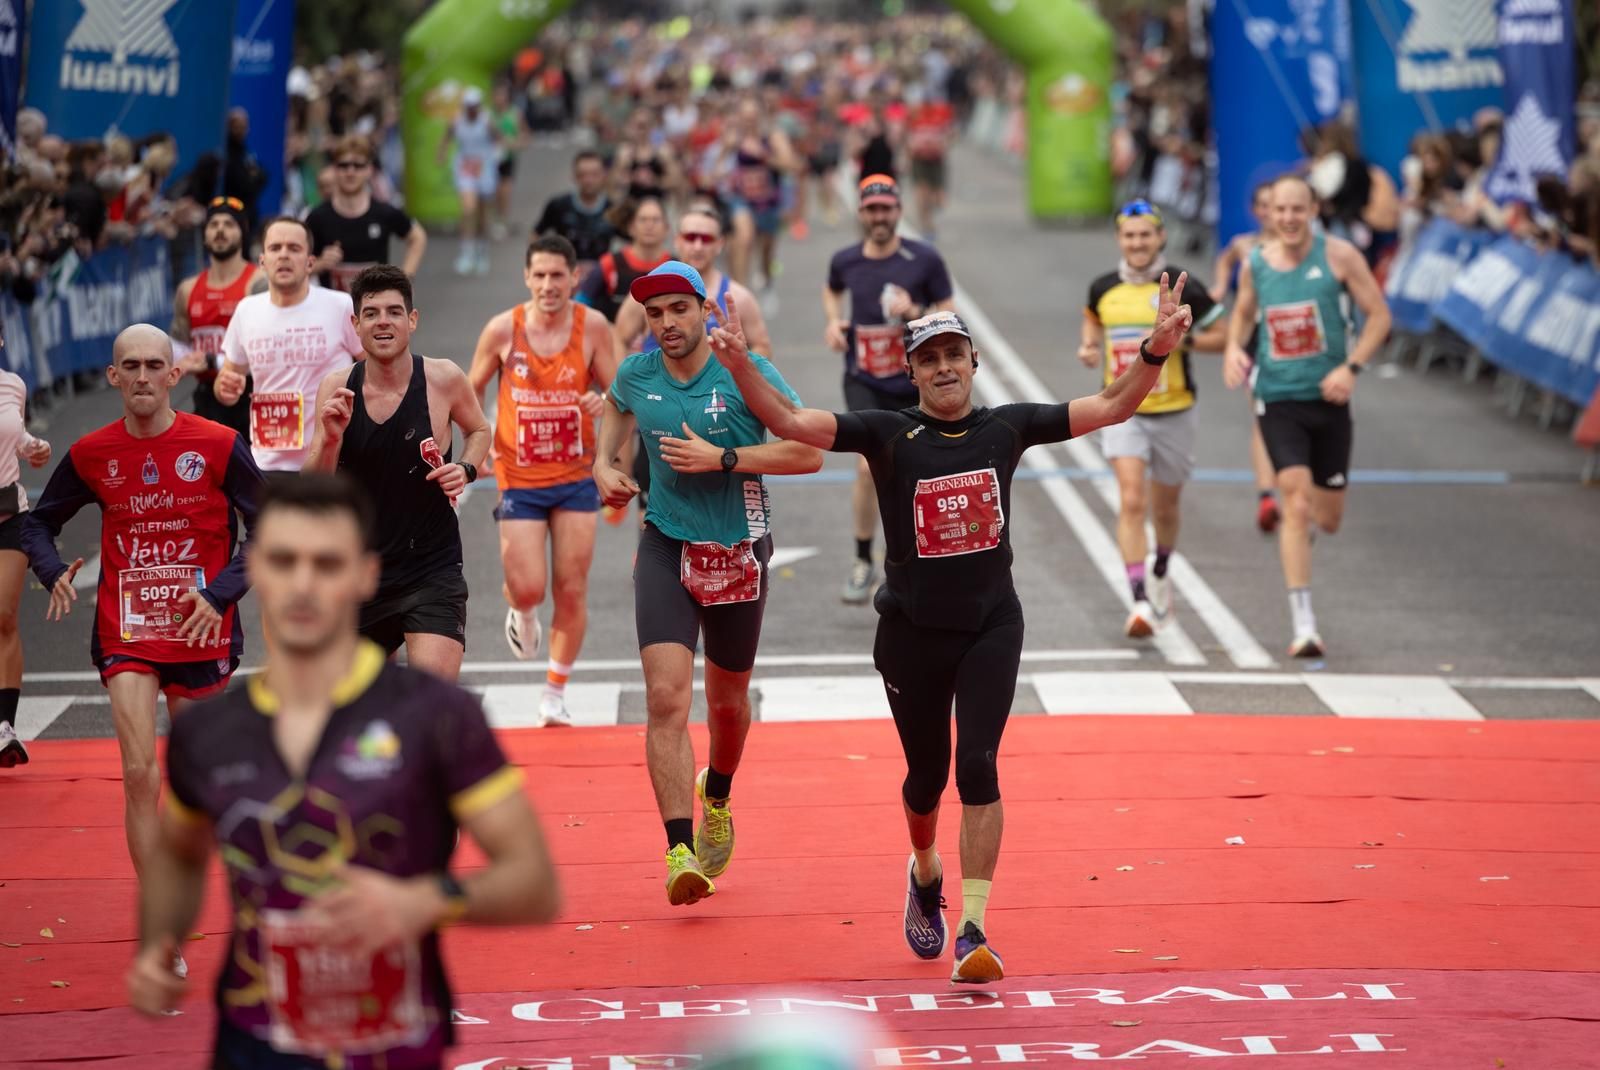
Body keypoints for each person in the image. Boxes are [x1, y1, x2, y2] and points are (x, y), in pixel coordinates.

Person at [709, 284, 1194, 984]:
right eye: (928, 358)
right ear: (911, 371)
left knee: (979, 768)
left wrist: (1155, 351)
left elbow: (1114, 405)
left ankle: (973, 928)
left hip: (992, 622)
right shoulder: (887, 434)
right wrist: (739, 365)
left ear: (974, 362)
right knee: (925, 780)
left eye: (954, 356)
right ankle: (925, 870)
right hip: (911, 633)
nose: (943, 368)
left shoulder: (1009, 428)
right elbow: (788, 418)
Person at [126, 472, 560, 1069]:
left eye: (327, 564)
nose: (303, 584)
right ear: (256, 571)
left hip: (394, 1044)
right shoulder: (207, 732)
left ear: (364, 574)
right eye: (283, 560)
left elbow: (534, 881)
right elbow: (178, 854)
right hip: (254, 1043)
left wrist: (425, 902)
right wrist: (157, 942)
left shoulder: (436, 717)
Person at [592, 261, 821, 906]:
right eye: (654, 314)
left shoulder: (743, 372)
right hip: (665, 543)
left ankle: (716, 791)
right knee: (665, 700)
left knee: (725, 704)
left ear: (702, 308)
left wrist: (724, 458)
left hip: (738, 551)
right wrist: (602, 465)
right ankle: (678, 850)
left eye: (677, 310)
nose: (666, 324)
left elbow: (806, 452)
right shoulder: (638, 373)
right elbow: (614, 411)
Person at [21, 324, 265, 885]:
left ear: (174, 375)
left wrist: (217, 593)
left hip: (202, 629)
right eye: (129, 366)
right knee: (138, 773)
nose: (142, 376)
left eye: (154, 365)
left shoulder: (218, 444)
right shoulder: (91, 452)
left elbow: (269, 527)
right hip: (126, 632)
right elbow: (39, 523)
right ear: (113, 377)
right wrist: (53, 570)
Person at [1224, 175, 1392, 657]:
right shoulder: (1255, 263)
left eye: (1298, 209)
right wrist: (1237, 348)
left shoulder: (1340, 257)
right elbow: (1244, 312)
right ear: (1268, 214)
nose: (1289, 219)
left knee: (1328, 517)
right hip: (1278, 398)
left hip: (1330, 399)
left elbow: (1378, 316)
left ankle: (1313, 526)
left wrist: (1351, 367)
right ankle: (1304, 624)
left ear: (1313, 209)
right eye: (1281, 211)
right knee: (1293, 502)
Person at [303, 265, 488, 683]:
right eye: (371, 313)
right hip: (358, 575)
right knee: (367, 719)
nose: (382, 321)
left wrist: (466, 467)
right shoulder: (336, 387)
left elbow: (478, 429)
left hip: (431, 568)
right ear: (355, 324)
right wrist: (329, 437)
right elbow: (313, 490)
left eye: (393, 312)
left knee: (430, 706)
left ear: (412, 320)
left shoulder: (442, 378)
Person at [468, 236, 616, 724]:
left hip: (576, 476)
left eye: (559, 275)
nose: (549, 285)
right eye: (540, 275)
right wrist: (480, 441)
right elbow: (470, 392)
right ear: (526, 277)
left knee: (572, 586)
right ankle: (524, 611)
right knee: (528, 586)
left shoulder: (592, 327)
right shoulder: (500, 329)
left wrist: (603, 403)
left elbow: (621, 394)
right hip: (521, 476)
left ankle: (554, 692)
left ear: (574, 277)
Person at [1079, 199, 1224, 636]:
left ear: (1160, 237)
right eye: (1130, 236)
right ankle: (1140, 599)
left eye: (1146, 235)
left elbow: (1226, 333)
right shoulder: (1102, 287)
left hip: (1174, 409)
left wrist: (1183, 341)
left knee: (1165, 506)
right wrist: (1088, 347)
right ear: (1119, 240)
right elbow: (1092, 323)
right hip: (1123, 410)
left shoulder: (1185, 286)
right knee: (1131, 499)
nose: (1138, 243)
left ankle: (1160, 569)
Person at [823, 174, 955, 605]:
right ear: (861, 213)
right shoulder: (845, 260)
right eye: (871, 210)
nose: (879, 217)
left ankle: (922, 559)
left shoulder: (923, 259)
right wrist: (834, 321)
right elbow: (832, 289)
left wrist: (915, 312)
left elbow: (950, 315)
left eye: (886, 209)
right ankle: (863, 559)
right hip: (863, 380)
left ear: (898, 211)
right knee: (867, 466)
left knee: (922, 469)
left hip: (913, 382)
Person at [214, 216, 365, 474]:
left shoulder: (340, 306)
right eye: (275, 248)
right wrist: (225, 387)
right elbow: (227, 380)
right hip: (267, 464)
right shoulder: (247, 310)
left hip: (331, 460)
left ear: (310, 262)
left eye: (294, 248)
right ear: (262, 261)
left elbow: (376, 369)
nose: (284, 255)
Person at [1211, 180, 1283, 534]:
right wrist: (1220, 287)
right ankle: (1267, 496)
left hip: (1292, 342)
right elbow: (1223, 261)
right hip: (1255, 338)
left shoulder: (1299, 249)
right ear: (1257, 211)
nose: (1273, 212)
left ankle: (1301, 488)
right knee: (1262, 415)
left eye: (1278, 204)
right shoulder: (1245, 245)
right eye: (1266, 205)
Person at [171, 196, 266, 440]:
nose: (220, 230)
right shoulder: (188, 289)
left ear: (242, 233)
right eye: (213, 225)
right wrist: (182, 359)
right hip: (207, 398)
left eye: (229, 224)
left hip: (250, 394)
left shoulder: (258, 283)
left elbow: (266, 352)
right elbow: (179, 343)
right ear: (204, 236)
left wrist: (213, 360)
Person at [0, 320, 51, 767]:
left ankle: (4, 727)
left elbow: (15, 438)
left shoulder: (14, 384)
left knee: (4, 615)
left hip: (8, 513)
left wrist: (34, 447)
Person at [305, 134, 427, 293]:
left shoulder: (384, 212)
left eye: (358, 165)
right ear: (334, 169)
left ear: (369, 170)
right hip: (332, 312)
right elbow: (297, 266)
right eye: (344, 165)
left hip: (374, 311)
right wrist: (320, 263)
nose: (351, 172)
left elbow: (418, 237)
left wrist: (405, 279)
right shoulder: (317, 217)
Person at [718, 98, 799, 289]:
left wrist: (763, 154)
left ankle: (767, 277)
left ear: (761, 117)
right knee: (743, 238)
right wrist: (726, 156)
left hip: (768, 200)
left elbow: (791, 164)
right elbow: (718, 167)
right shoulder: (733, 137)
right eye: (745, 118)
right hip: (741, 198)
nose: (749, 122)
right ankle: (739, 292)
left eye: (753, 118)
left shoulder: (773, 137)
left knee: (766, 250)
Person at [437, 86, 501, 276]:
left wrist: (497, 153)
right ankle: (466, 253)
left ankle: (481, 253)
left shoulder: (487, 120)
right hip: (465, 167)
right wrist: (441, 153)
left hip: (484, 167)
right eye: (468, 106)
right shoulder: (456, 121)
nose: (471, 109)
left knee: (482, 214)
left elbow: (498, 138)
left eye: (474, 106)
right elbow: (446, 139)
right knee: (468, 209)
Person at [576, 196, 671, 323]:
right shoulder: (609, 264)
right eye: (643, 220)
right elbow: (578, 306)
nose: (649, 225)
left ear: (666, 228)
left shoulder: (676, 267)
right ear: (631, 228)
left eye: (656, 220)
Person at [533, 150, 616, 283]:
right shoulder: (558, 205)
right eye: (583, 175)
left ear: (604, 176)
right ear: (574, 177)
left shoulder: (613, 209)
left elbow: (633, 239)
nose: (589, 180)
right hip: (564, 277)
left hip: (601, 279)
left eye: (594, 175)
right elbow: (536, 234)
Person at [905, 88, 955, 241]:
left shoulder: (941, 113)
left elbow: (951, 133)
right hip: (919, 159)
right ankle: (926, 225)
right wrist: (908, 155)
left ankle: (929, 219)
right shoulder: (914, 114)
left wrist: (944, 144)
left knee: (938, 199)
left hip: (936, 159)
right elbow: (906, 135)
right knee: (922, 193)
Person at [491, 83, 528, 241]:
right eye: (496, 95)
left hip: (507, 158)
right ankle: (491, 221)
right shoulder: (488, 114)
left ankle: (502, 221)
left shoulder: (514, 114)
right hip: (489, 159)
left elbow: (525, 136)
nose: (499, 99)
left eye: (502, 95)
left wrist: (514, 143)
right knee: (491, 191)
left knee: (504, 190)